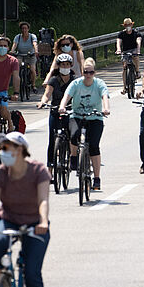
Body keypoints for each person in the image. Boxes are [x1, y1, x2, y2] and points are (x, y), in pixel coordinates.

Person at [0, 132, 49, 287]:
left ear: (19, 150)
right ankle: (4, 281)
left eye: (6, 148)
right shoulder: (2, 172)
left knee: (32, 275)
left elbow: (43, 200)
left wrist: (43, 222)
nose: (2, 151)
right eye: (1, 148)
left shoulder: (38, 170)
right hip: (9, 221)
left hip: (35, 224)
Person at [57, 58, 110, 190]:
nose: (88, 75)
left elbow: (104, 96)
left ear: (94, 73)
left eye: (91, 72)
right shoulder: (76, 83)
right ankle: (73, 157)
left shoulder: (99, 84)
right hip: (77, 116)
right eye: (85, 72)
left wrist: (106, 109)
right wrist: (62, 106)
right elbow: (66, 96)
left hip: (95, 118)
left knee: (94, 146)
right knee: (74, 134)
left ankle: (96, 178)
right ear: (82, 72)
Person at [38, 52, 74, 173]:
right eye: (63, 65)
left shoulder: (75, 80)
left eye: (67, 64)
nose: (65, 67)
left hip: (70, 111)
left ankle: (71, 158)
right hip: (55, 110)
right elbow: (47, 94)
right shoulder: (53, 80)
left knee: (72, 135)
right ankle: (50, 171)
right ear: (58, 66)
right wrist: (42, 102)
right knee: (53, 140)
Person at [11, 21, 40, 91]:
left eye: (25, 28)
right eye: (23, 28)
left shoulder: (32, 36)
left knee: (32, 70)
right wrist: (12, 51)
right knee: (17, 68)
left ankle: (33, 85)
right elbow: (15, 44)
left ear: (28, 29)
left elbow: (35, 43)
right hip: (20, 55)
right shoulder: (18, 37)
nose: (24, 30)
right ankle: (18, 84)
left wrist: (36, 51)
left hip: (30, 55)